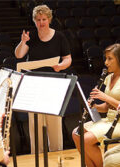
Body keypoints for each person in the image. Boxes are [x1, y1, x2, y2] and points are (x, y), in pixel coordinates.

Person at [15, 4, 72, 154]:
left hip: (54, 85)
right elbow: (19, 55)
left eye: (44, 19)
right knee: (36, 126)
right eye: (38, 19)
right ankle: (38, 159)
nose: (41, 22)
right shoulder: (31, 36)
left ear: (49, 19)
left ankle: (57, 156)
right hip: (33, 86)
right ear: (34, 20)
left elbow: (68, 59)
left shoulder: (59, 36)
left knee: (54, 125)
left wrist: (61, 66)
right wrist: (23, 42)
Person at [72, 43, 120, 167]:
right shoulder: (108, 78)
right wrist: (93, 106)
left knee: (86, 140)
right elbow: (107, 107)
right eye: (105, 58)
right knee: (76, 133)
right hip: (109, 120)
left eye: (110, 58)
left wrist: (105, 97)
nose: (106, 62)